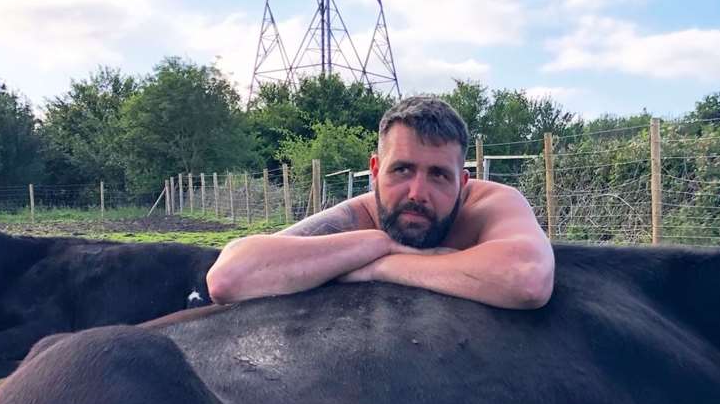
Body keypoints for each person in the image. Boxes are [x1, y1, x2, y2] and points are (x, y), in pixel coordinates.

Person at [206, 97, 554, 310]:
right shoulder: (359, 216)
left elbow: (526, 278)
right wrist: (380, 242)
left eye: (438, 175)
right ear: (375, 170)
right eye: (402, 169)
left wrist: (381, 267)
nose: (418, 192)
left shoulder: (490, 205)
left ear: (463, 183)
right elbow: (229, 277)